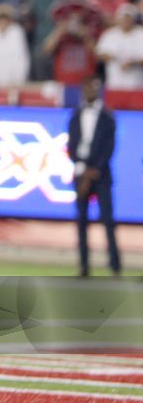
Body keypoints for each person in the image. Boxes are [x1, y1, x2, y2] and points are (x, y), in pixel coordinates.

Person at [67, 77, 120, 278]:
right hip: (81, 172)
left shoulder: (107, 117)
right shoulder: (75, 115)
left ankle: (115, 265)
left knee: (107, 219)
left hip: (101, 174)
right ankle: (84, 265)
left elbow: (109, 147)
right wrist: (81, 168)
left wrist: (94, 169)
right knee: (81, 221)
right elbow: (71, 145)